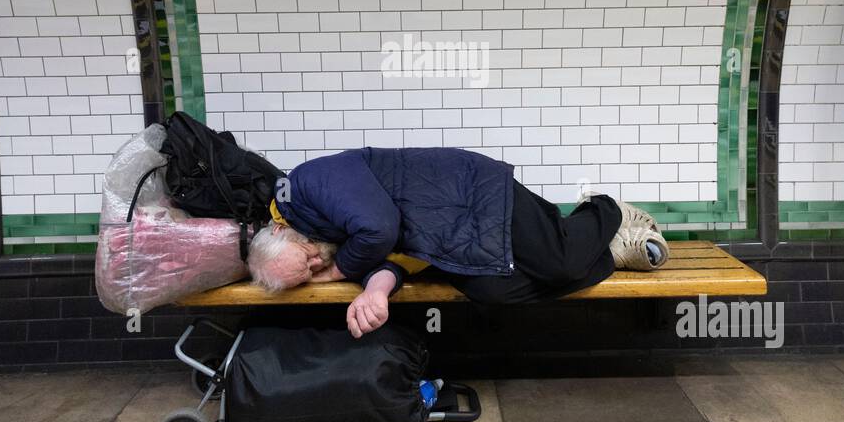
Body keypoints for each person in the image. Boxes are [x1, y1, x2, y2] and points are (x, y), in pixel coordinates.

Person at [245, 147, 668, 338]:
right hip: (447, 236)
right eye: (311, 274)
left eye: (308, 260)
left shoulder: (307, 183)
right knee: (490, 290)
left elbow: (378, 230)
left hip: (471, 190)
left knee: (557, 264)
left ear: (281, 230)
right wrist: (374, 291)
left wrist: (337, 273)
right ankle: (610, 251)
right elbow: (386, 256)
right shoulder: (319, 232)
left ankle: (605, 211)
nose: (320, 265)